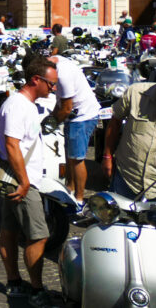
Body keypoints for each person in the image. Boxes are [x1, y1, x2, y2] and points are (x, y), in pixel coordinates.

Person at [0, 55, 57, 304]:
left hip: (18, 179)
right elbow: (11, 145)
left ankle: (14, 283)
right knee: (39, 235)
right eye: (51, 84)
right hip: (21, 181)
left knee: (10, 230)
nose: (53, 89)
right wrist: (24, 182)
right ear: (35, 79)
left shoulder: (24, 105)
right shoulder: (18, 106)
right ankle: (37, 290)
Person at [103, 63, 156, 232]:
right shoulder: (135, 93)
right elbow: (115, 121)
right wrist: (107, 155)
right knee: (115, 229)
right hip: (127, 177)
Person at [50, 55, 100, 209]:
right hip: (76, 115)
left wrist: (51, 124)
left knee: (76, 158)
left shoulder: (63, 74)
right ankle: (69, 189)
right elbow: (60, 103)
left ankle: (79, 200)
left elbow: (66, 108)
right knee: (70, 156)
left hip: (82, 116)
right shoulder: (56, 60)